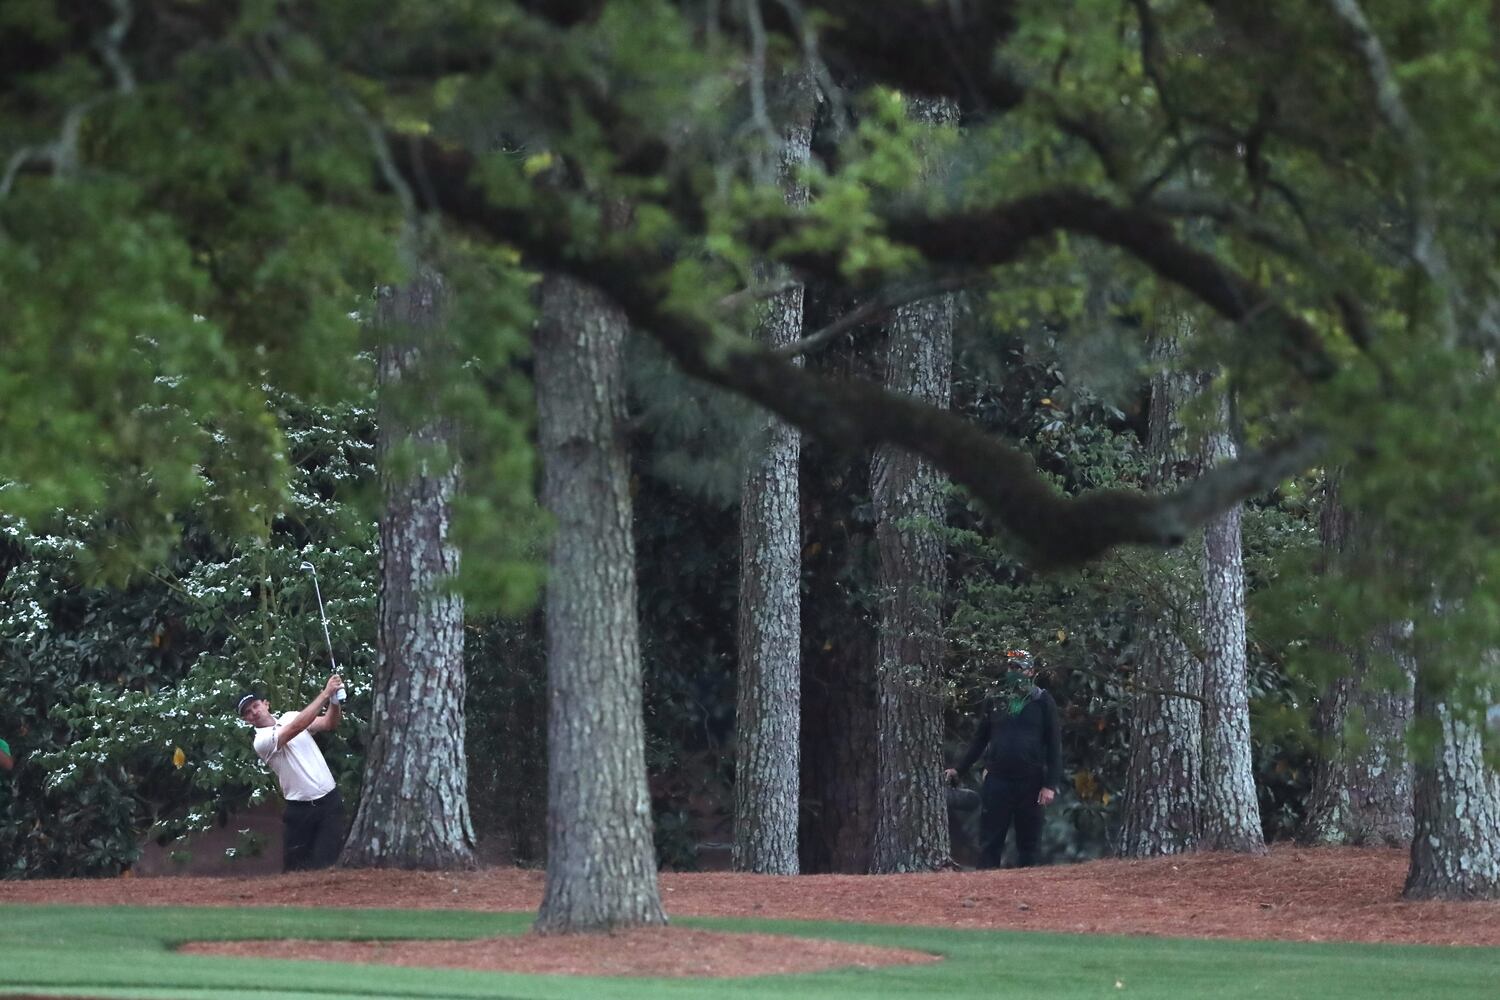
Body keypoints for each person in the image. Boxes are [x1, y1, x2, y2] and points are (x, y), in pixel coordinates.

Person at [944, 650, 1062, 869]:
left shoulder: (1043, 701)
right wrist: (959, 769)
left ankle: (1029, 890)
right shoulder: (995, 699)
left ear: (1031, 671)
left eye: (1020, 668)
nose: (1015, 672)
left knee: (1029, 844)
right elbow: (979, 739)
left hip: (1031, 782)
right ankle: (986, 891)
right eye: (1011, 668)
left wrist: (1049, 785)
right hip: (997, 780)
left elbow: (1055, 746)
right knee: (990, 841)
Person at [237, 675, 344, 871]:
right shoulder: (261, 741)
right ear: (245, 721)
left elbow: (329, 723)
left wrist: (334, 701)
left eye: (255, 706)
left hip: (330, 803)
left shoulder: (290, 716)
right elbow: (296, 727)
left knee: (327, 865)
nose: (254, 712)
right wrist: (325, 693)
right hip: (300, 811)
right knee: (295, 871)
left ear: (266, 704)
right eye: (248, 713)